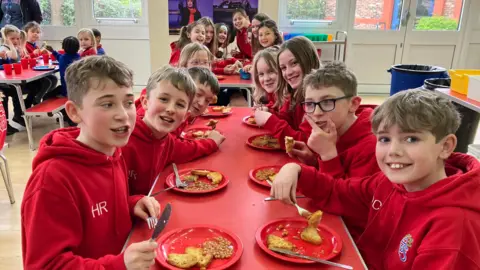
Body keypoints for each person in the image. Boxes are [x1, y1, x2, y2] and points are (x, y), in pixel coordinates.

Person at [271, 89, 480, 269]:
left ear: (445, 146)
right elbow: (338, 191)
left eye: (411, 139)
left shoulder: (454, 228)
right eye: (384, 139)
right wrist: (296, 170)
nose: (393, 151)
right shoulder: (389, 183)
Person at [22, 56, 161, 269]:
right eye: (107, 104)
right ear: (74, 112)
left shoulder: (113, 152)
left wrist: (131, 204)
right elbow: (47, 265)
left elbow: (104, 209)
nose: (123, 115)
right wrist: (119, 264)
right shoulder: (52, 180)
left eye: (128, 102)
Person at [288, 62, 380, 240]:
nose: (316, 112)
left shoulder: (372, 147)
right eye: (310, 104)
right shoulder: (332, 131)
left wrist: (327, 155)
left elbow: (348, 206)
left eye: (327, 102)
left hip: (354, 237)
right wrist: (313, 161)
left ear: (353, 104)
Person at [123, 65, 225, 195]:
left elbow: (184, 151)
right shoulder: (124, 141)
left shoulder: (168, 142)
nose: (171, 109)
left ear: (185, 116)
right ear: (145, 102)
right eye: (164, 99)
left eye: (180, 104)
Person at [254, 36, 320, 146]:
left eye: (294, 63)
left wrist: (270, 121)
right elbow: (289, 120)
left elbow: (306, 143)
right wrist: (270, 113)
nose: (288, 72)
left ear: (309, 60)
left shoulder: (318, 98)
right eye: (283, 68)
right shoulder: (296, 92)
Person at [23, 21, 58, 104]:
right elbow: (25, 59)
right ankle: (37, 99)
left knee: (54, 79)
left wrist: (44, 54)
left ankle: (44, 98)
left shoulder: (35, 45)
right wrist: (32, 54)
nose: (36, 34)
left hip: (37, 71)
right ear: (25, 33)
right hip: (30, 73)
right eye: (33, 32)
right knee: (47, 82)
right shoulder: (24, 46)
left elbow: (39, 59)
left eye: (38, 32)